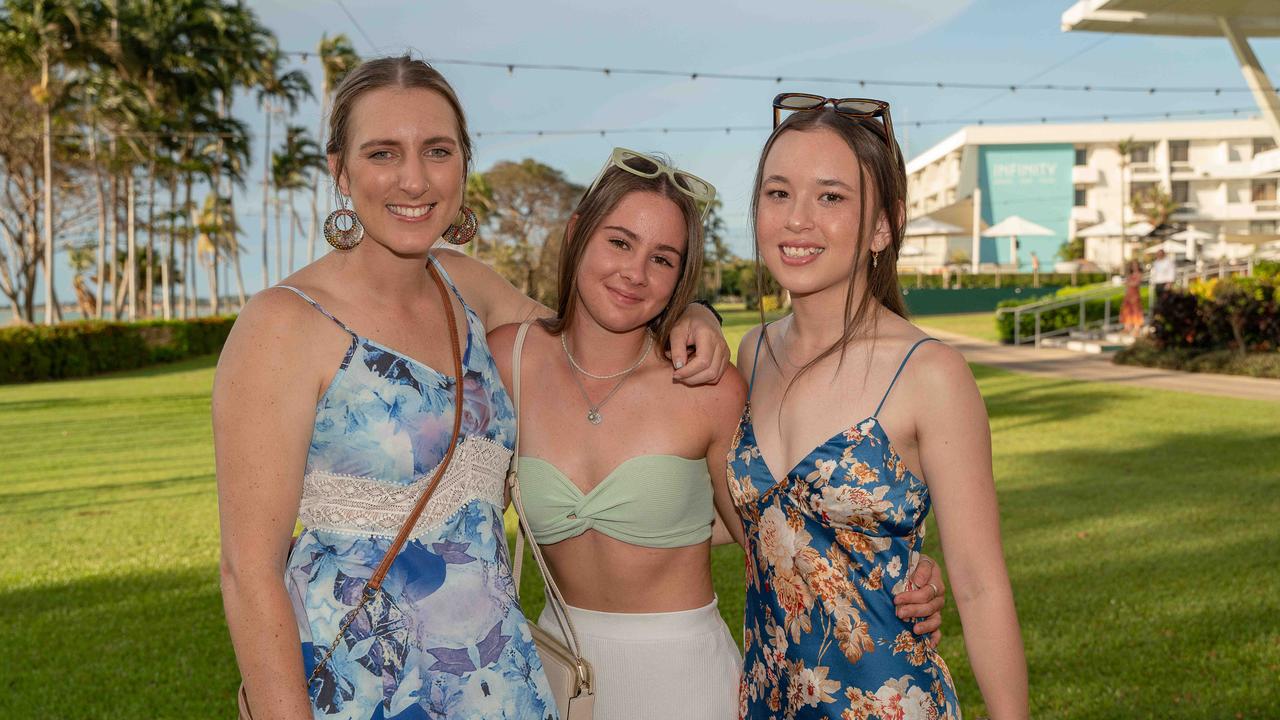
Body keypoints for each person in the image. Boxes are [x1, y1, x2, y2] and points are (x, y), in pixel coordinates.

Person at [213, 57, 729, 720]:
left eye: (437, 151)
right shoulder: (282, 325)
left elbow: (591, 326)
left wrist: (691, 311)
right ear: (340, 170)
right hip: (360, 686)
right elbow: (248, 574)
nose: (414, 179)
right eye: (382, 152)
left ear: (463, 164)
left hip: (497, 683)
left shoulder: (469, 290)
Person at [488, 147, 948, 720]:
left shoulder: (706, 386)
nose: (635, 272)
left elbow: (776, 528)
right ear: (578, 232)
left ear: (682, 275)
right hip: (555, 667)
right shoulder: (508, 359)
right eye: (619, 242)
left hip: (683, 680)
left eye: (663, 259)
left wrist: (891, 565)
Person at [729, 94, 1027, 719]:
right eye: (778, 193)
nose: (797, 220)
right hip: (766, 701)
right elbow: (755, 528)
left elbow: (980, 584)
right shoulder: (751, 351)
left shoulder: (930, 373)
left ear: (883, 225)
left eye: (831, 197)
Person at [1121, 259, 1144, 336]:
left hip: (1135, 294)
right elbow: (1126, 283)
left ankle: (1137, 328)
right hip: (1128, 294)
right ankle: (1127, 327)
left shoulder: (1139, 274)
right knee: (1126, 310)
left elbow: (1136, 283)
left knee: (1136, 310)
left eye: (1135, 265)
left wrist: (1129, 283)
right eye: (1133, 265)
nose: (1134, 266)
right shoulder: (1129, 274)